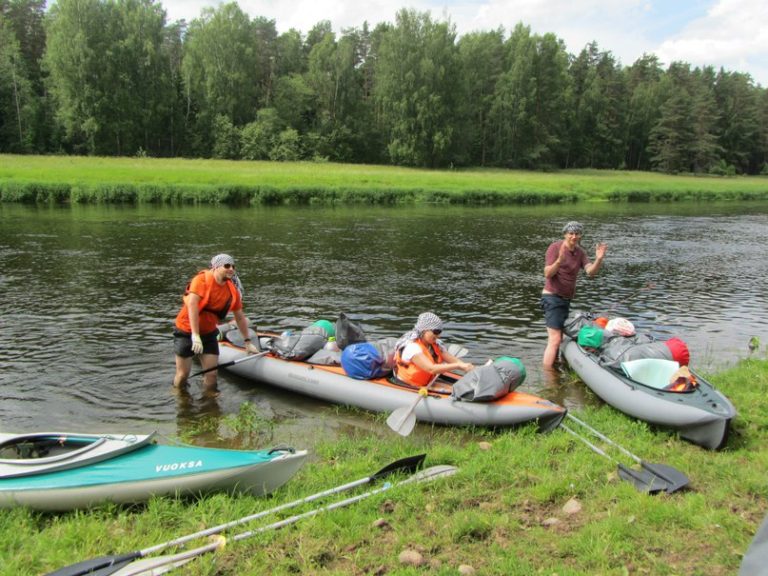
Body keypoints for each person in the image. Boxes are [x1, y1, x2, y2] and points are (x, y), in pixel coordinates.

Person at [173, 253, 259, 392]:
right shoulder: (201, 280)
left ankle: (209, 405)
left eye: (233, 266)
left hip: (208, 333)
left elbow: (240, 317)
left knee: (212, 375)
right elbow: (193, 306)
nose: (231, 268)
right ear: (216, 267)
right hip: (186, 330)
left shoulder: (232, 291)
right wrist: (195, 336)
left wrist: (247, 342)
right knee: (183, 375)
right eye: (227, 265)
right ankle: (179, 397)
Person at [541, 221, 607, 368]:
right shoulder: (555, 247)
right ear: (565, 234)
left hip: (565, 299)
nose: (574, 236)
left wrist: (599, 259)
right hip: (552, 297)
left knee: (558, 337)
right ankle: (548, 377)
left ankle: (555, 367)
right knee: (555, 339)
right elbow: (547, 273)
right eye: (571, 233)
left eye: (577, 233)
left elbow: (590, 272)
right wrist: (559, 261)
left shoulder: (580, 252)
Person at [393, 312, 475, 387]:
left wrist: (469, 368)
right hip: (408, 384)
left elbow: (455, 361)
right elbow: (431, 369)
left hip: (427, 382)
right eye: (436, 331)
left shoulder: (434, 345)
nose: (438, 336)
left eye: (439, 332)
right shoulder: (412, 347)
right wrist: (458, 366)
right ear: (424, 330)